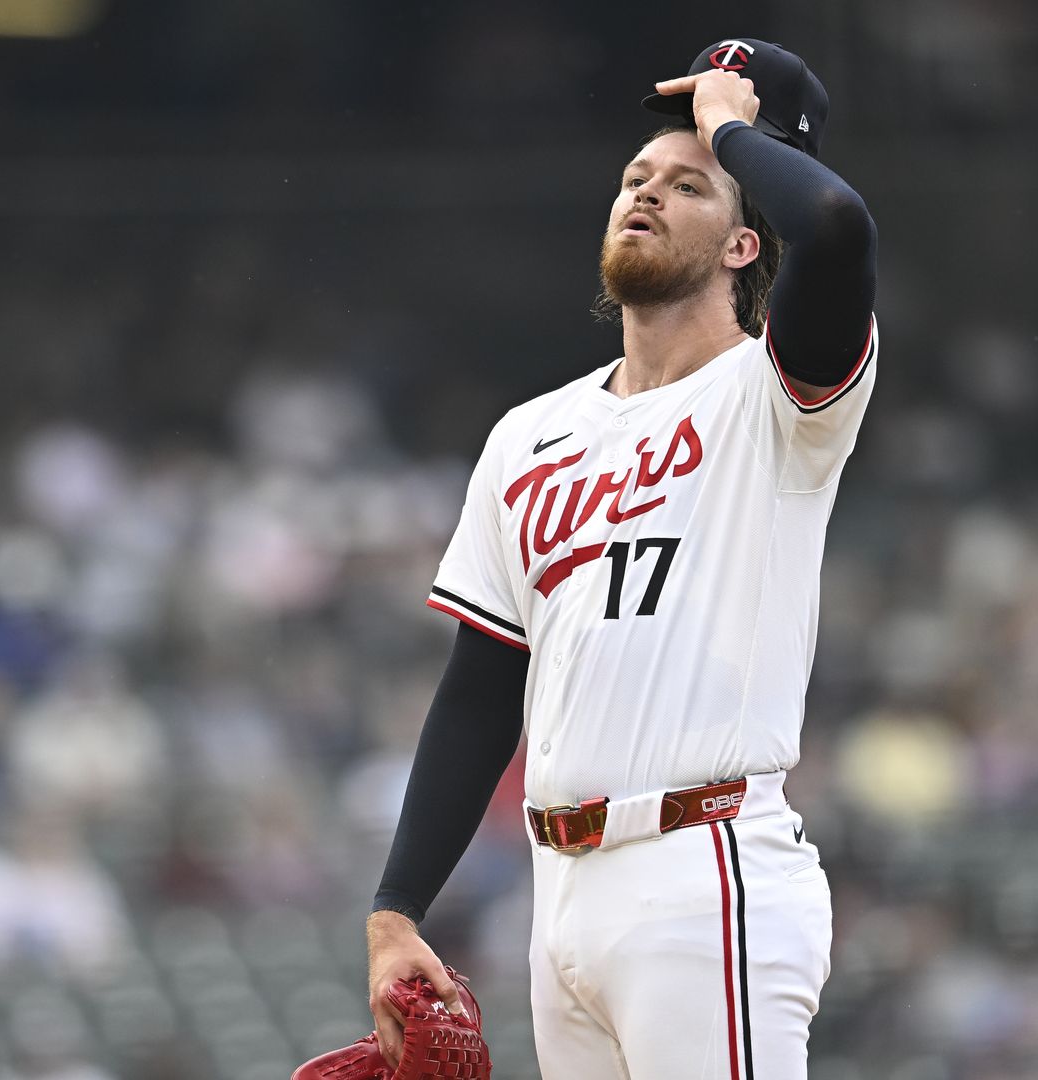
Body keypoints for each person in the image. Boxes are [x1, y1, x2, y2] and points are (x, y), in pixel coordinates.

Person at [363, 40, 876, 1079]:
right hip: (562, 899)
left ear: (745, 240)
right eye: (636, 177)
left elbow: (832, 225)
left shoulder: (776, 399)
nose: (644, 193)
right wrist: (395, 909)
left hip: (706, 872)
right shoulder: (529, 434)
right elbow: (480, 688)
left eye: (688, 184)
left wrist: (732, 125)